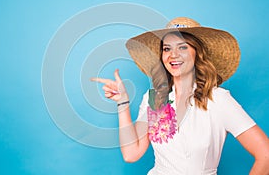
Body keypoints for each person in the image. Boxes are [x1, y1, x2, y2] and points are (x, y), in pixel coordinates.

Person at [91, 17, 269, 174]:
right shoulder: (155, 98)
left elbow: (265, 154)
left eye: (182, 47)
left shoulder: (218, 99)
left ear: (197, 53)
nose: (173, 55)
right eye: (167, 49)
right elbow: (131, 154)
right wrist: (122, 103)